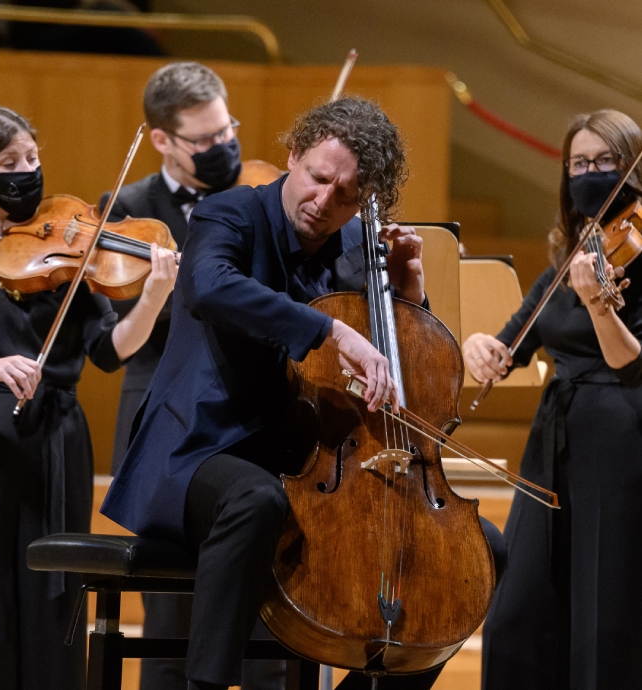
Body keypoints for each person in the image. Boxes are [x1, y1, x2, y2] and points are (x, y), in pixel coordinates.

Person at [102, 96, 507, 690]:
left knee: (479, 546)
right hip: (198, 451)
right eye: (318, 178)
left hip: (306, 464)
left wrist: (408, 296)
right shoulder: (228, 214)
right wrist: (330, 329)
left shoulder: (353, 250)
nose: (325, 202)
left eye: (347, 196)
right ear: (294, 155)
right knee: (255, 502)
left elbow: (407, 376)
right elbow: (211, 287)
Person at [0, 105, 177, 690]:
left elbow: (110, 349)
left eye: (32, 157)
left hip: (55, 438)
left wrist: (152, 296)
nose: (28, 171)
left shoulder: (72, 255)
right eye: (9, 163)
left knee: (54, 604)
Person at [101, 61, 281, 690]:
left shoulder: (266, 200)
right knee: (172, 610)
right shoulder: (126, 211)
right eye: (203, 141)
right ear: (162, 142)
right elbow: (121, 342)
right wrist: (163, 290)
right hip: (164, 416)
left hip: (250, 411)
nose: (223, 147)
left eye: (227, 129)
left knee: (267, 601)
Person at [463, 109, 642, 690]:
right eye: (578, 164)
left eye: (604, 163)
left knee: (604, 606)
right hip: (554, 439)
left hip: (621, 437)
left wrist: (598, 305)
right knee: (521, 601)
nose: (589, 174)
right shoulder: (570, 255)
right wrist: (482, 348)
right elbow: (513, 339)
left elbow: (632, 363)